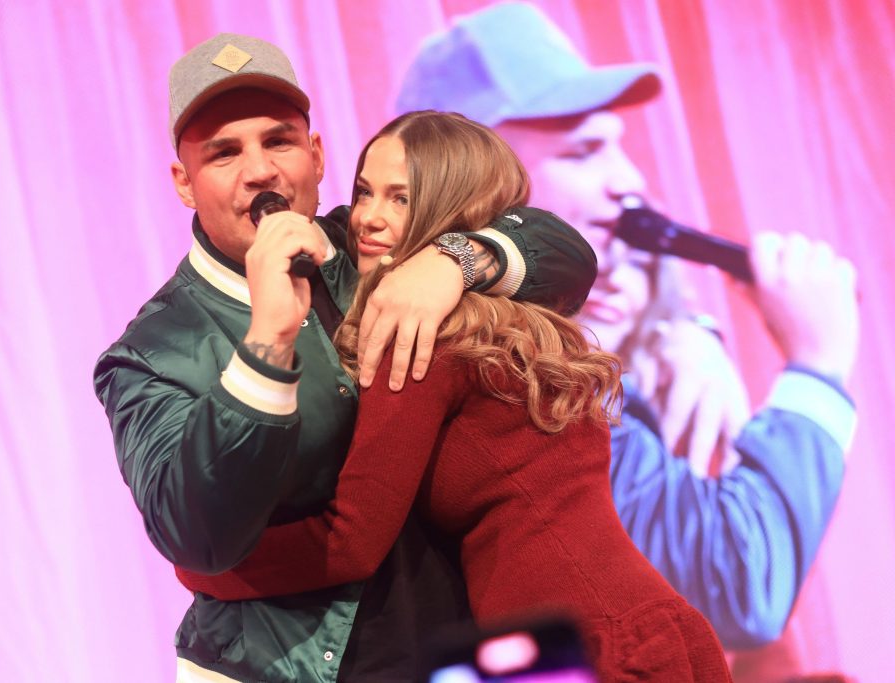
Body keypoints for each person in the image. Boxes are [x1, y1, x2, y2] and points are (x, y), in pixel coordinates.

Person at [93, 33, 598, 683]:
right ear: (184, 184)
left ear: (317, 155)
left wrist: (457, 261)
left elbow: (566, 254)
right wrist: (267, 342)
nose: (259, 171)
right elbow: (195, 535)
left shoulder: (375, 245)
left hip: (460, 650)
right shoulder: (150, 352)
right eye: (224, 152)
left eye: (278, 142)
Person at [182, 110, 733, 682]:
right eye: (365, 191)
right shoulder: (510, 321)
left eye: (401, 199)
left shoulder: (423, 336)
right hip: (627, 627)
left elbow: (350, 542)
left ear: (448, 212)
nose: (368, 217)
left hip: (589, 648)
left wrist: (208, 570)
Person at [394, 0, 859, 650]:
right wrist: (818, 364)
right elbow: (739, 583)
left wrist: (682, 334)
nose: (630, 180)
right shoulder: (512, 382)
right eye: (584, 151)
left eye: (619, 146)